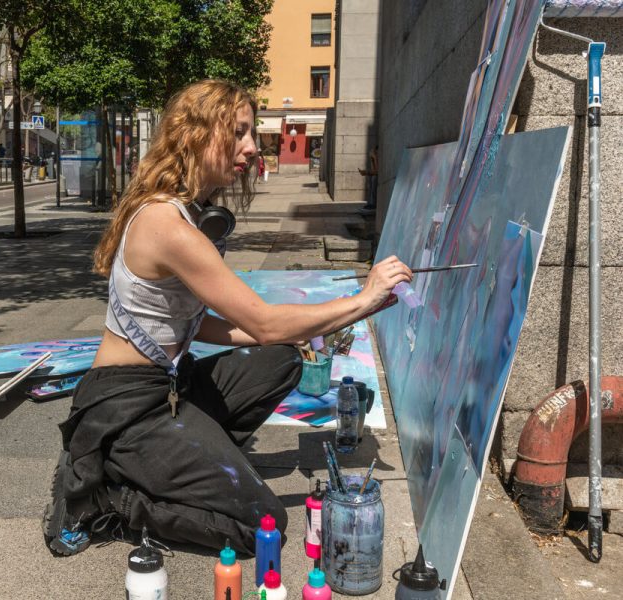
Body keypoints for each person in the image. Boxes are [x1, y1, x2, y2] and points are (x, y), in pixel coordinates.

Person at [42, 79, 412, 557]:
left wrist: (322, 322)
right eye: (238, 132)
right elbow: (263, 321)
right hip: (127, 408)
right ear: (197, 134)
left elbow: (202, 325)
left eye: (251, 133)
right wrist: (363, 299)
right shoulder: (167, 225)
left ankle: (188, 459)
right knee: (264, 528)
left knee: (281, 358)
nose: (252, 148)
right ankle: (105, 495)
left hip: (171, 385)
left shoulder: (186, 214)